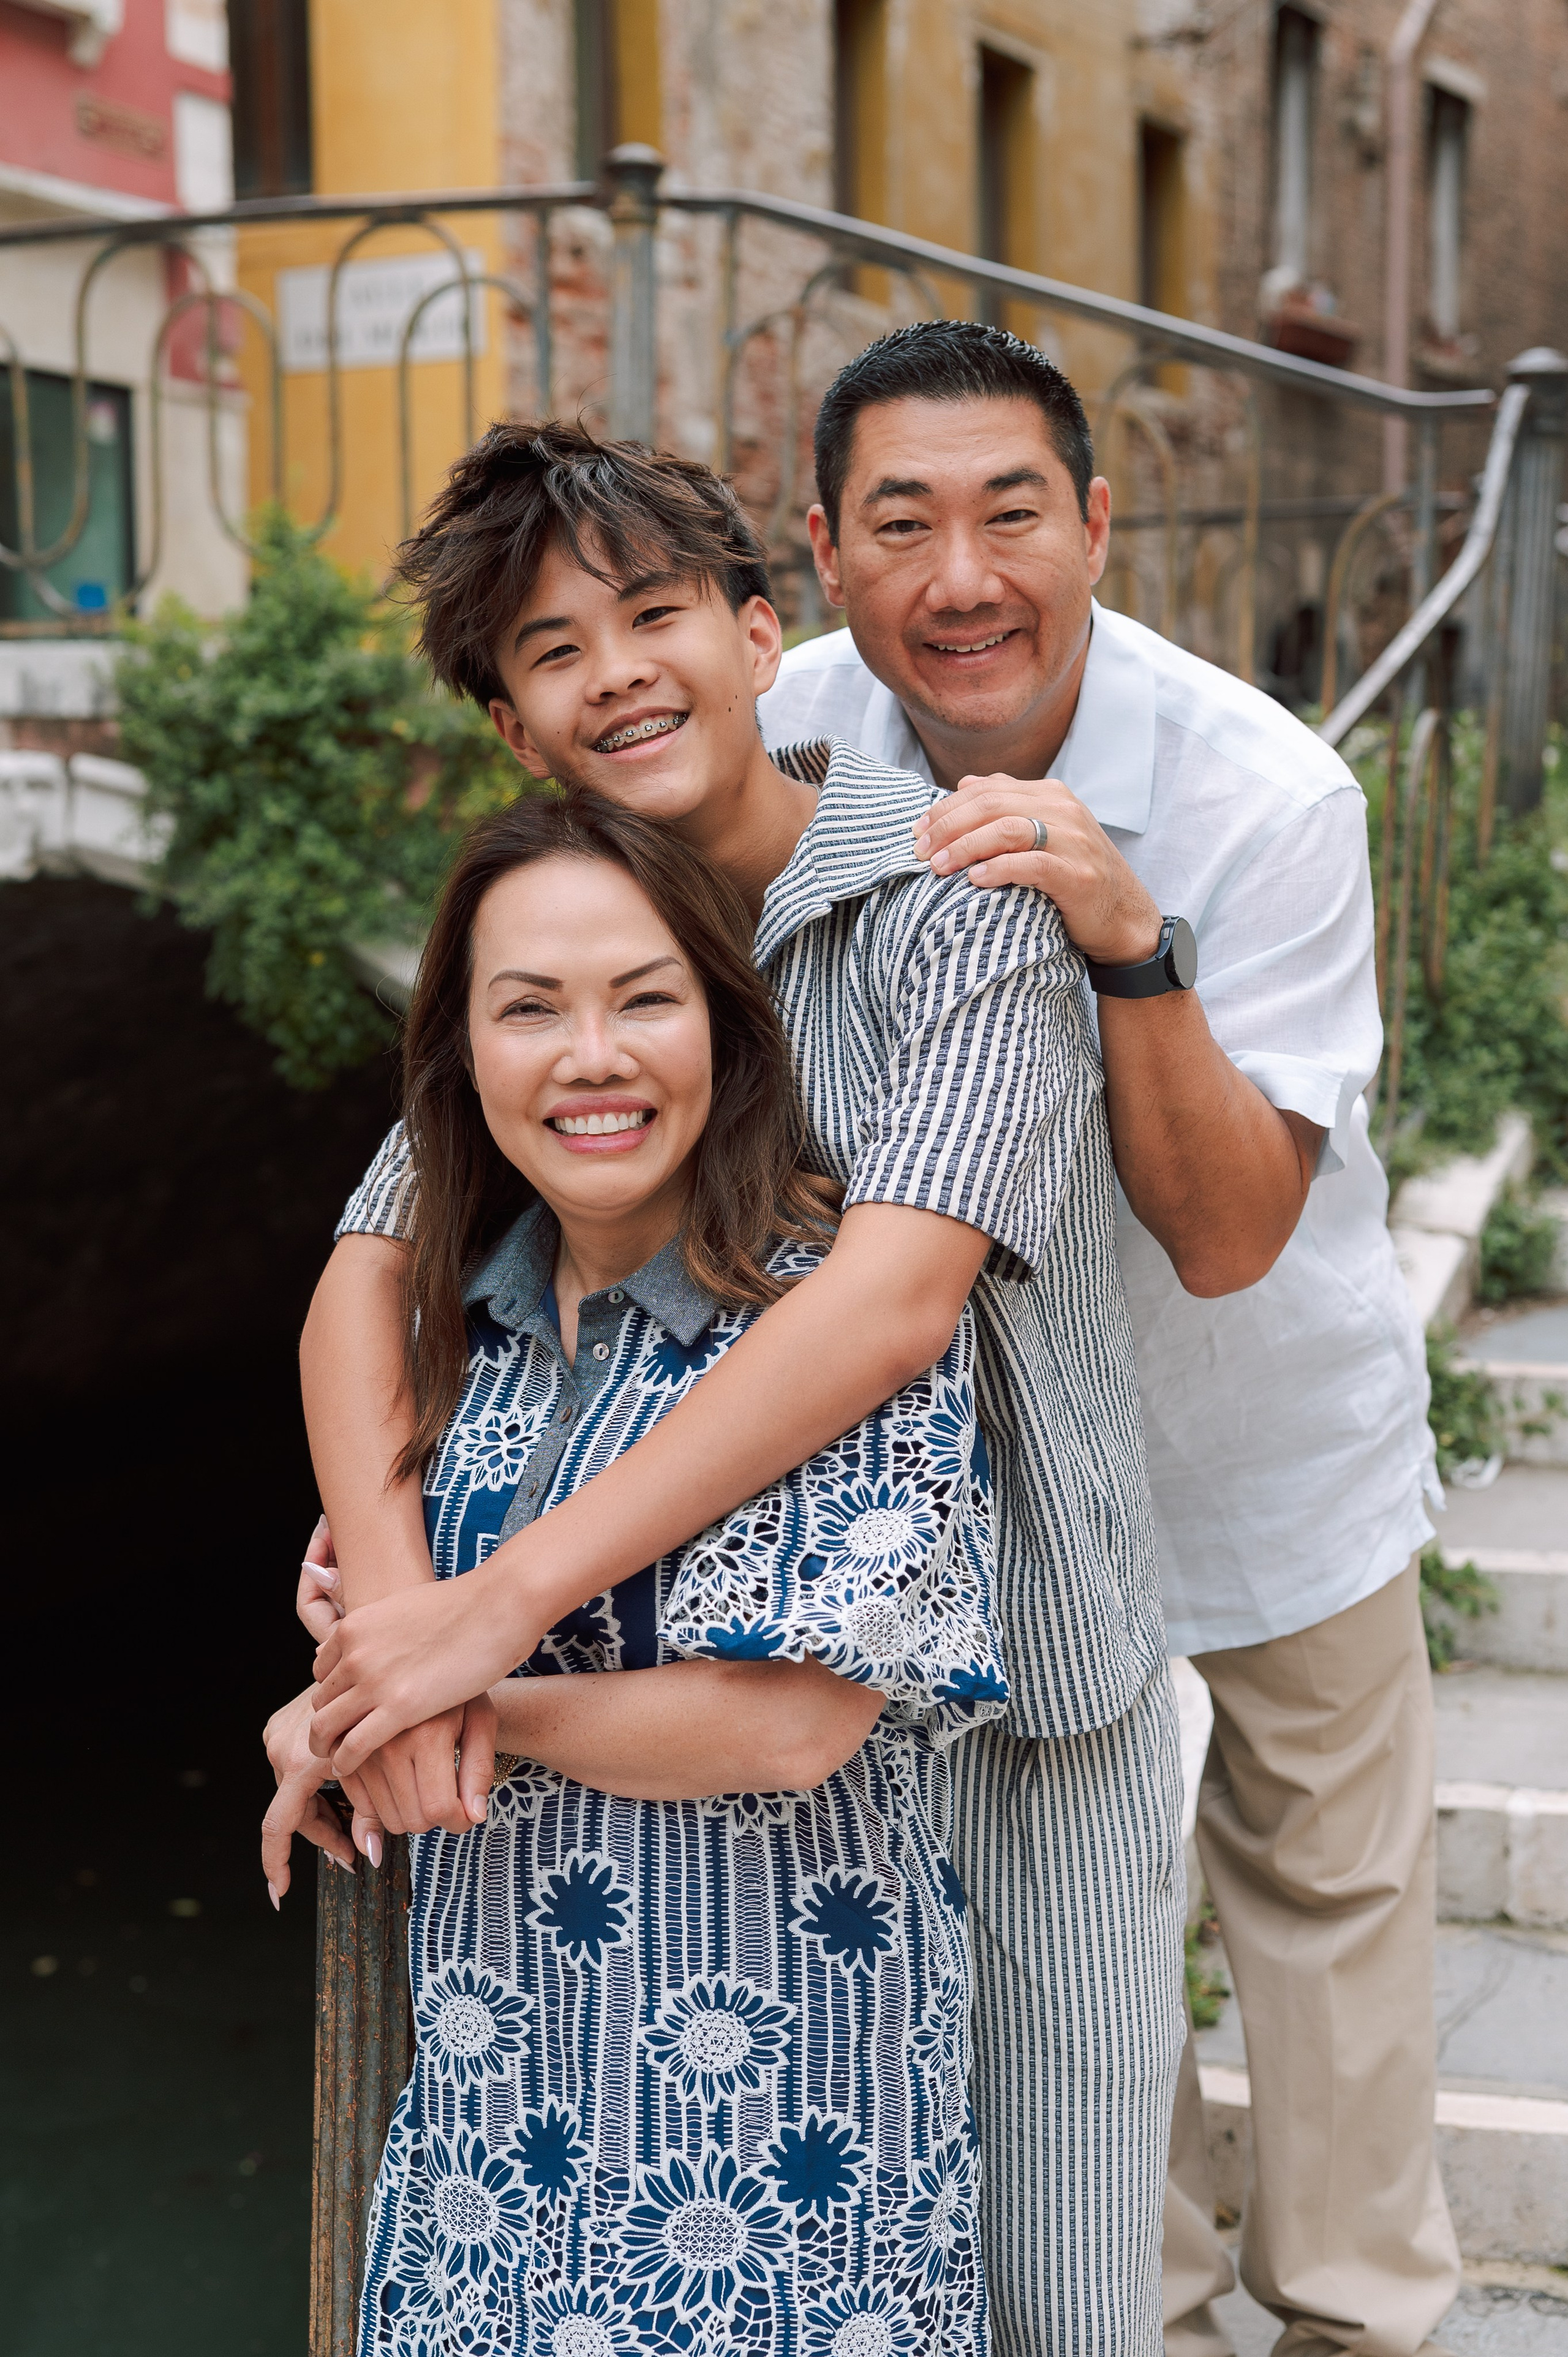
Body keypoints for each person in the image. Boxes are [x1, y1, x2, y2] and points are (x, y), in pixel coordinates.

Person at [281, 421, 1186, 2355]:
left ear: (763, 634)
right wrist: (394, 1616)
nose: (615, 674)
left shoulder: (951, 904)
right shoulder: (570, 942)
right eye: (552, 650)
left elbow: (889, 1311)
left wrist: (477, 1625)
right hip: (660, 1731)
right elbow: (366, 1274)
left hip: (1018, 1685)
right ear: (515, 727)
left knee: (1055, 2291)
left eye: (652, 615)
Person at [756, 320, 1458, 2357]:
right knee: (1053, 1914)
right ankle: (1135, 2317)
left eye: (1011, 514)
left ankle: (1359, 2321)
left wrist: (1129, 938)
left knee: (1326, 1900)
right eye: (902, 524)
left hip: (1261, 1426)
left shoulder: (1269, 793)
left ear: (1096, 523)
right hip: (977, 1458)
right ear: (825, 549)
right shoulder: (781, 737)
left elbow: (1231, 1237)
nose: (962, 575)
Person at [267, 787, 1010, 2351]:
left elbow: (787, 1723)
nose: (590, 1055)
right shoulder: (445, 1335)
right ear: (462, 1057)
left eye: (644, 1000)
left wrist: (429, 1708)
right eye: (529, 1008)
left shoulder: (815, 1319)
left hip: (783, 2144)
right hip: (492, 2131)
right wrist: (353, 1703)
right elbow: (382, 1629)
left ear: (726, 1030)